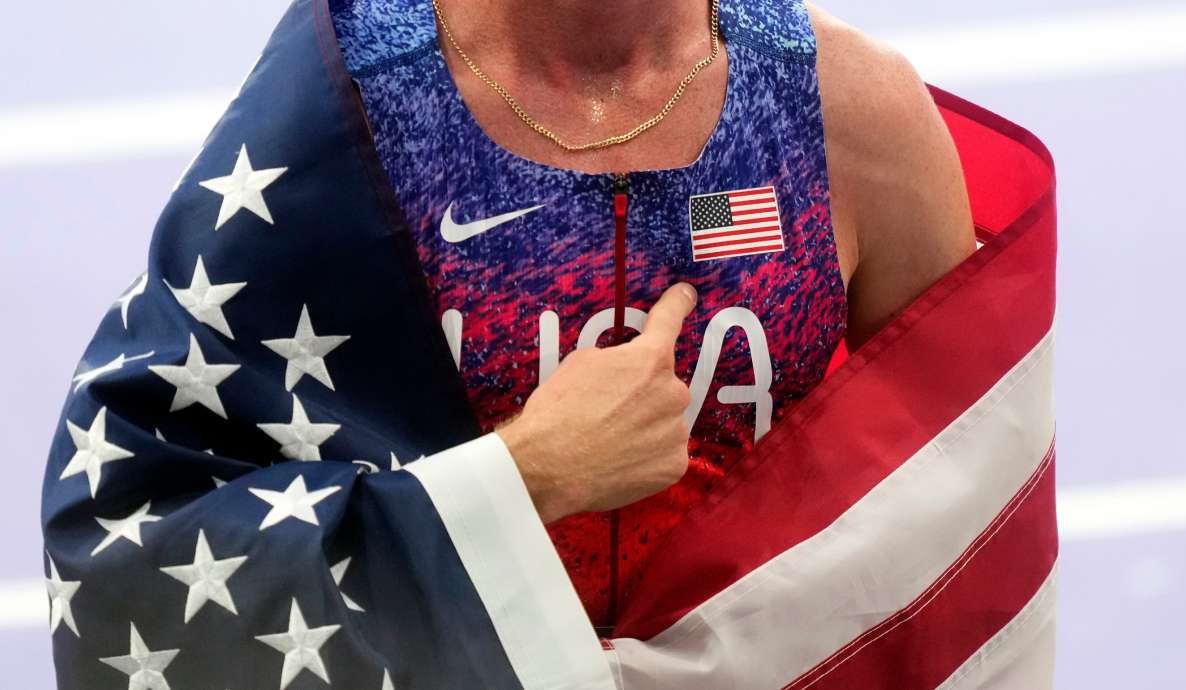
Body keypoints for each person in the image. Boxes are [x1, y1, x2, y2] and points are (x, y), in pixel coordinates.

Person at [40, 0, 978, 687]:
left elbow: (971, 525)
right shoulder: (348, 113)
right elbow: (141, 547)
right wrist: (526, 474)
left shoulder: (851, 115)